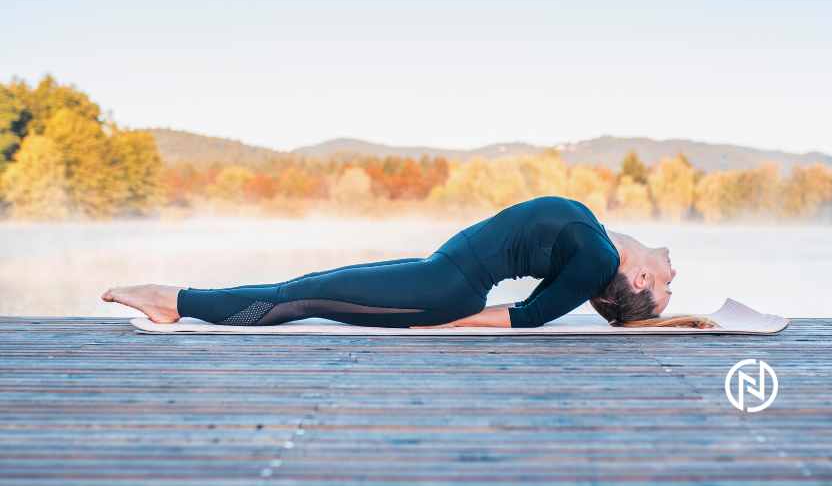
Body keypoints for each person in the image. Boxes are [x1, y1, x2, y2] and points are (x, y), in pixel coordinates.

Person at [101, 195, 716, 329]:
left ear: (637, 278)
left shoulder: (597, 256)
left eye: (664, 288)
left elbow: (526, 317)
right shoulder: (595, 244)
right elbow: (537, 305)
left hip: (444, 288)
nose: (673, 275)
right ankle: (176, 302)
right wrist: (670, 319)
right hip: (440, 274)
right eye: (669, 286)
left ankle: (172, 300)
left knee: (305, 295)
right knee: (311, 290)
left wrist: (437, 321)